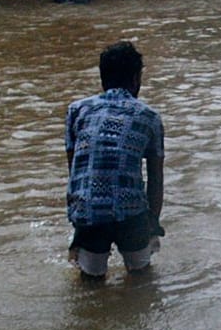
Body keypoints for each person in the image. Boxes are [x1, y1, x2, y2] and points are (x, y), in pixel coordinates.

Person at [64, 40, 165, 279]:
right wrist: (153, 224)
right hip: (131, 213)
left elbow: (75, 172)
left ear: (103, 78)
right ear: (135, 79)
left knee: (90, 283)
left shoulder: (77, 110)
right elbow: (156, 179)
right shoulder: (149, 117)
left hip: (88, 211)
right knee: (142, 280)